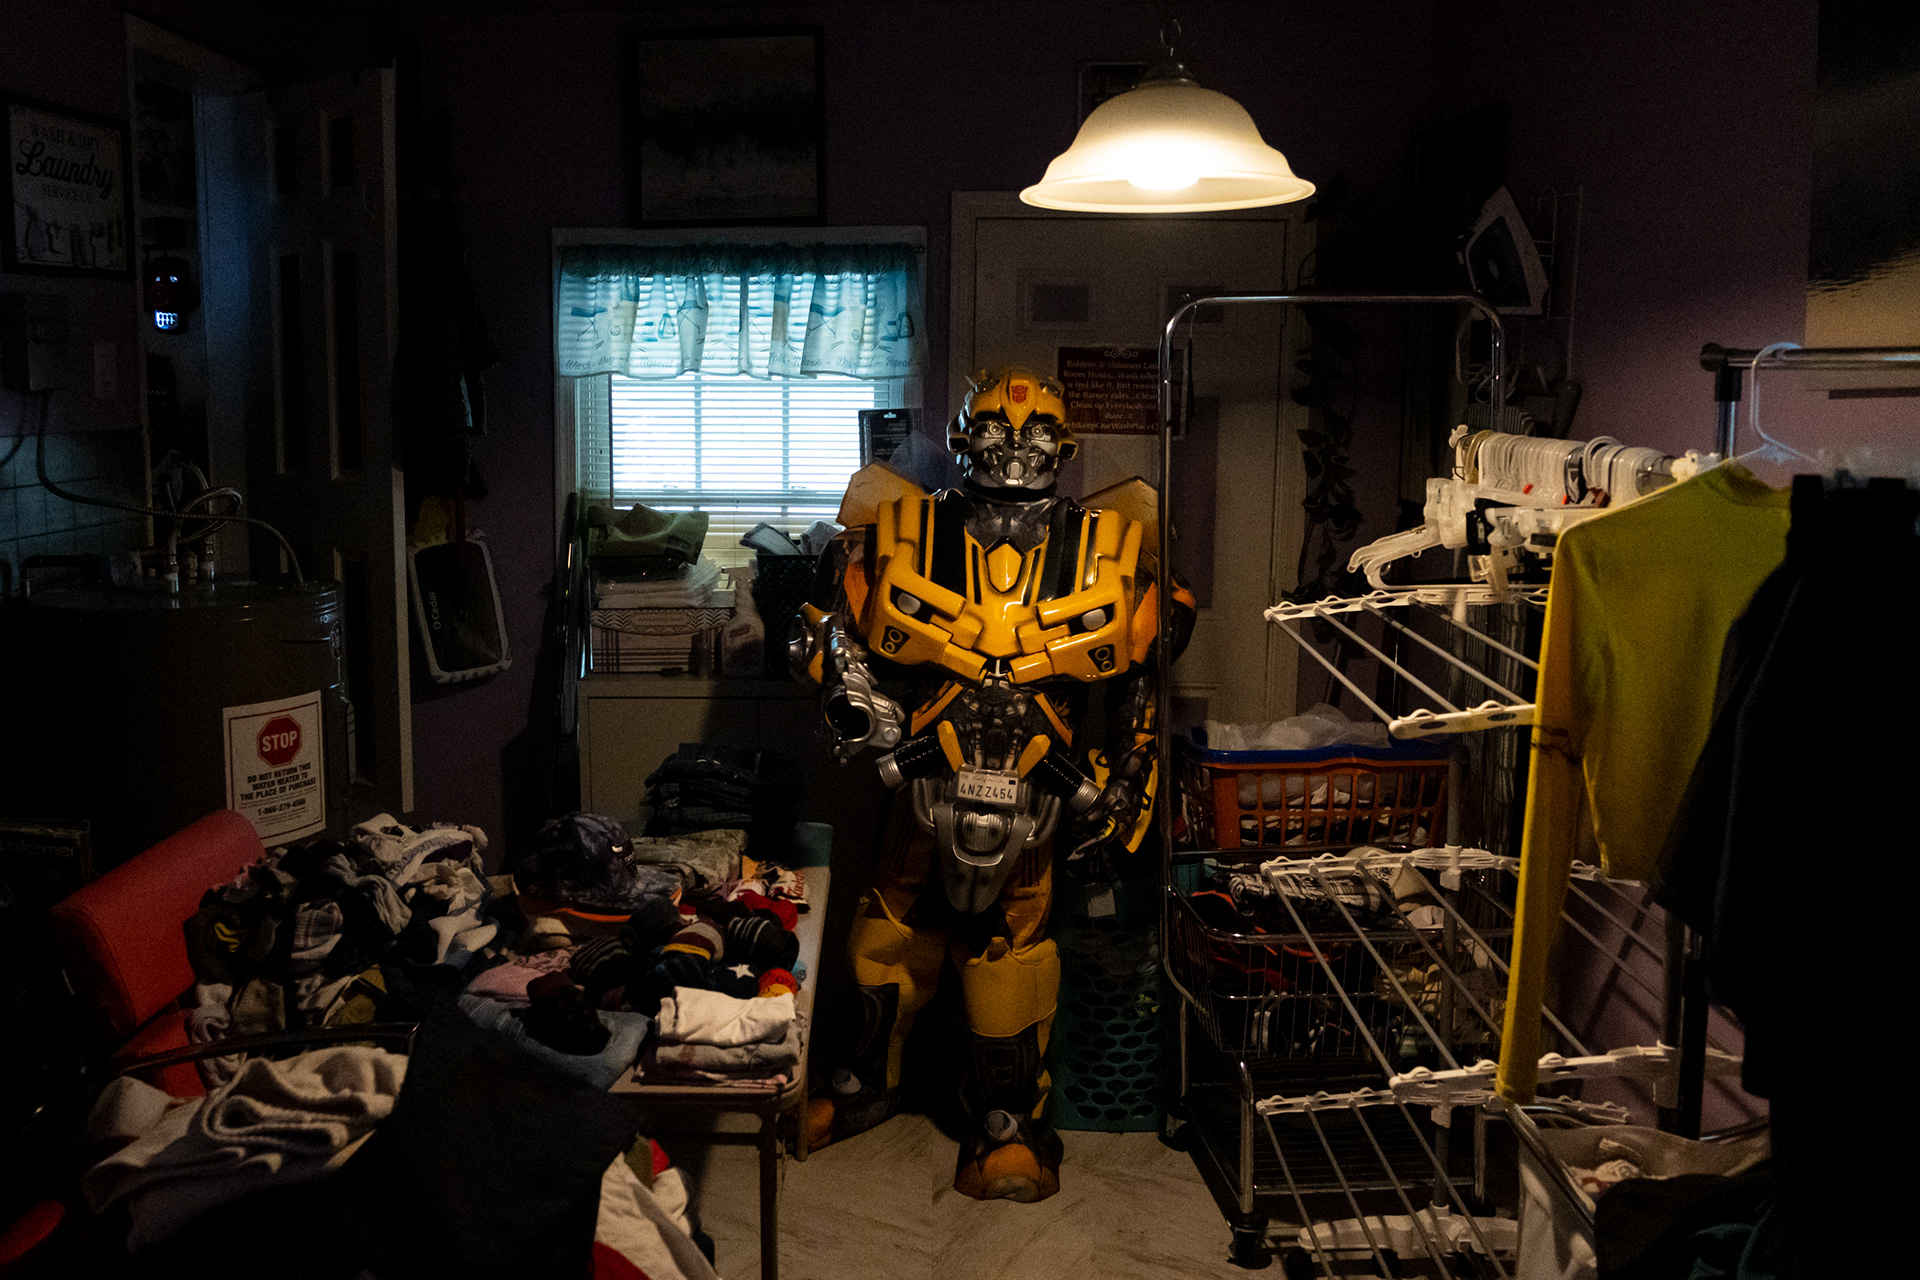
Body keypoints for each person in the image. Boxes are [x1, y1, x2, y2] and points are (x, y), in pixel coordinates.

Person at [790, 366, 1194, 1201]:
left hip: (1043, 781)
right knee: (889, 933)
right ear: (964, 438)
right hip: (921, 768)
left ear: (1066, 448)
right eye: (998, 433)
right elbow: (832, 633)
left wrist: (1127, 784)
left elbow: (1141, 682)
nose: (1015, 451)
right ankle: (866, 1084)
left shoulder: (1109, 541)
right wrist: (853, 692)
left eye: (1037, 434)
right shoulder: (903, 524)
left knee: (1012, 954)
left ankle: (1007, 1125)